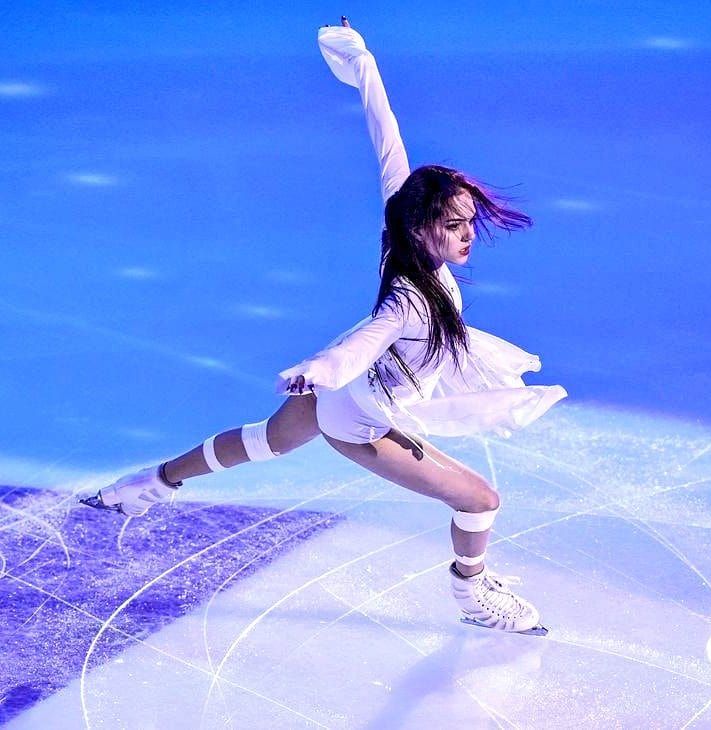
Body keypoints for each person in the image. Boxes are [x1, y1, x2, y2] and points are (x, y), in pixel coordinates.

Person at [82, 18, 567, 634]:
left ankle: (148, 483)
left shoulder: (400, 230)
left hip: (348, 385)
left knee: (268, 440)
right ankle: (471, 593)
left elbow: (388, 142)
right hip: (357, 415)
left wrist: (361, 62)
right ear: (422, 227)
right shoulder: (409, 300)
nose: (469, 233)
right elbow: (368, 340)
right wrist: (321, 368)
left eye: (469, 220)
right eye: (455, 225)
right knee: (480, 500)